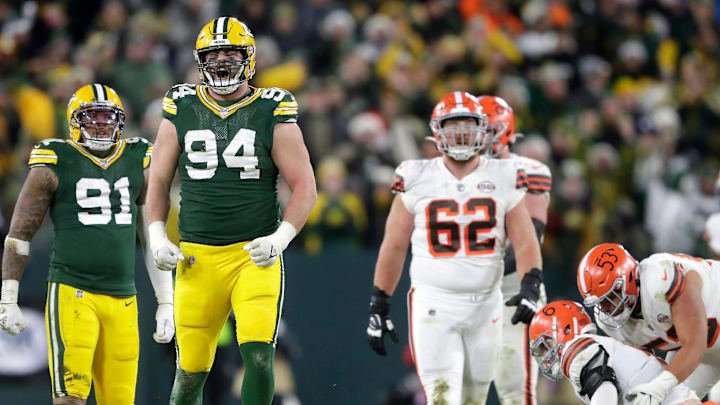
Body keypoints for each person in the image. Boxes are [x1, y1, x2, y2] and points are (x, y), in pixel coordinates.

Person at [145, 17, 316, 405]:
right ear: (200, 60)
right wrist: (157, 234)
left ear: (248, 58)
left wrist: (280, 237)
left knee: (258, 355)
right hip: (196, 257)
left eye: (231, 53)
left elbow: (305, 184)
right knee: (189, 375)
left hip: (252, 256)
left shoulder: (272, 107)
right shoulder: (182, 104)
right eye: (213, 54)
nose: (222, 61)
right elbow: (157, 180)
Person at [0, 84, 174, 405]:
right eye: (92, 117)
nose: (101, 125)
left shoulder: (137, 158)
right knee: (70, 399)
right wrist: (8, 297)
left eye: (108, 118)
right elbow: (20, 233)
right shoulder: (55, 159)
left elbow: (152, 236)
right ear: (74, 120)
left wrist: (166, 300)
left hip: (124, 298)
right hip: (72, 292)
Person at [366, 91, 543, 404]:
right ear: (436, 130)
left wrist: (531, 285)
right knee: (443, 397)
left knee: (474, 397)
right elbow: (394, 245)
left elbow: (525, 237)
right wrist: (379, 302)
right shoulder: (416, 175)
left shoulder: (505, 175)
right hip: (434, 304)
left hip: (487, 305)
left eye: (468, 123)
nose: (461, 131)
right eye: (453, 123)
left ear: (483, 129)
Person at [478, 95, 551, 405]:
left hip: (514, 288)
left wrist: (476, 266)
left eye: (484, 130)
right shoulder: (452, 174)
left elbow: (528, 237)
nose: (476, 139)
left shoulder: (527, 170)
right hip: (464, 292)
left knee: (514, 388)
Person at [577, 243, 720, 403]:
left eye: (611, 296)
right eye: (600, 302)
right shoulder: (612, 322)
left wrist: (660, 386)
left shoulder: (660, 279)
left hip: (698, 345)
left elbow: (695, 343)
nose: (606, 308)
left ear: (629, 279)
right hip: (702, 353)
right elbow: (643, 368)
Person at [529, 300, 703, 405]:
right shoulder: (601, 346)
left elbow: (603, 385)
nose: (545, 355)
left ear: (566, 329)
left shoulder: (576, 349)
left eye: (545, 346)